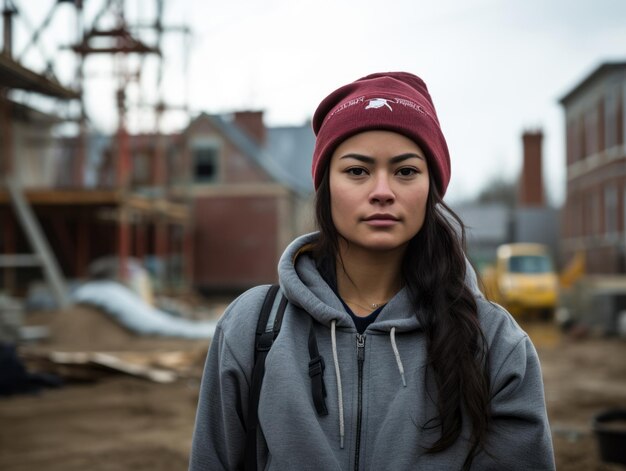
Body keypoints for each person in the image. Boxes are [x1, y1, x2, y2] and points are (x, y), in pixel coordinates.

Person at [189, 72, 555, 470]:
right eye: (357, 171)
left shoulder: (494, 342)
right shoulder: (253, 328)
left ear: (431, 188)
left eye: (405, 171)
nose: (382, 190)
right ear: (326, 186)